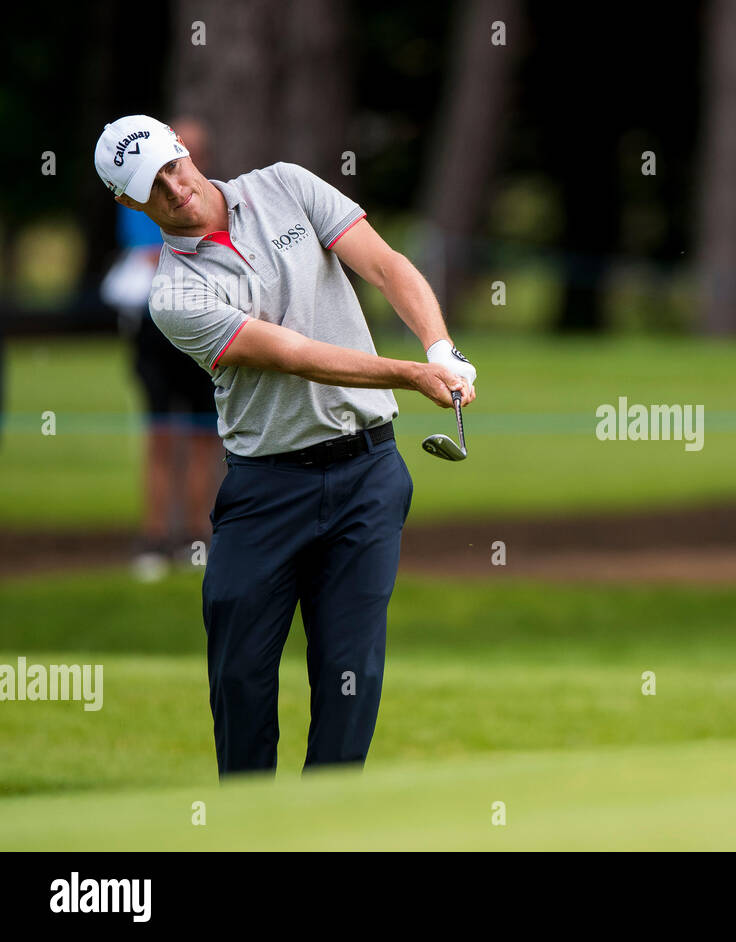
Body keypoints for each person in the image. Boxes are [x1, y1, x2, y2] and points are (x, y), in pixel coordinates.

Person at [94, 115, 478, 777]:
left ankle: (322, 827)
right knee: (240, 675)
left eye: (172, 166)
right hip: (265, 489)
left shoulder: (286, 187)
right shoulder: (175, 295)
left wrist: (440, 348)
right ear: (129, 203)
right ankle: (251, 827)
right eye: (150, 187)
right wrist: (414, 375)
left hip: (368, 473)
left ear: (186, 153)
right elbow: (295, 355)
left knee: (350, 673)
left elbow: (385, 266)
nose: (175, 188)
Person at [101, 118, 223, 582]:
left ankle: (196, 538)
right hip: (154, 328)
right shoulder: (139, 199)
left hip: (202, 323)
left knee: (203, 435)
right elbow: (152, 254)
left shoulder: (211, 195)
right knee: (161, 434)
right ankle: (154, 539)